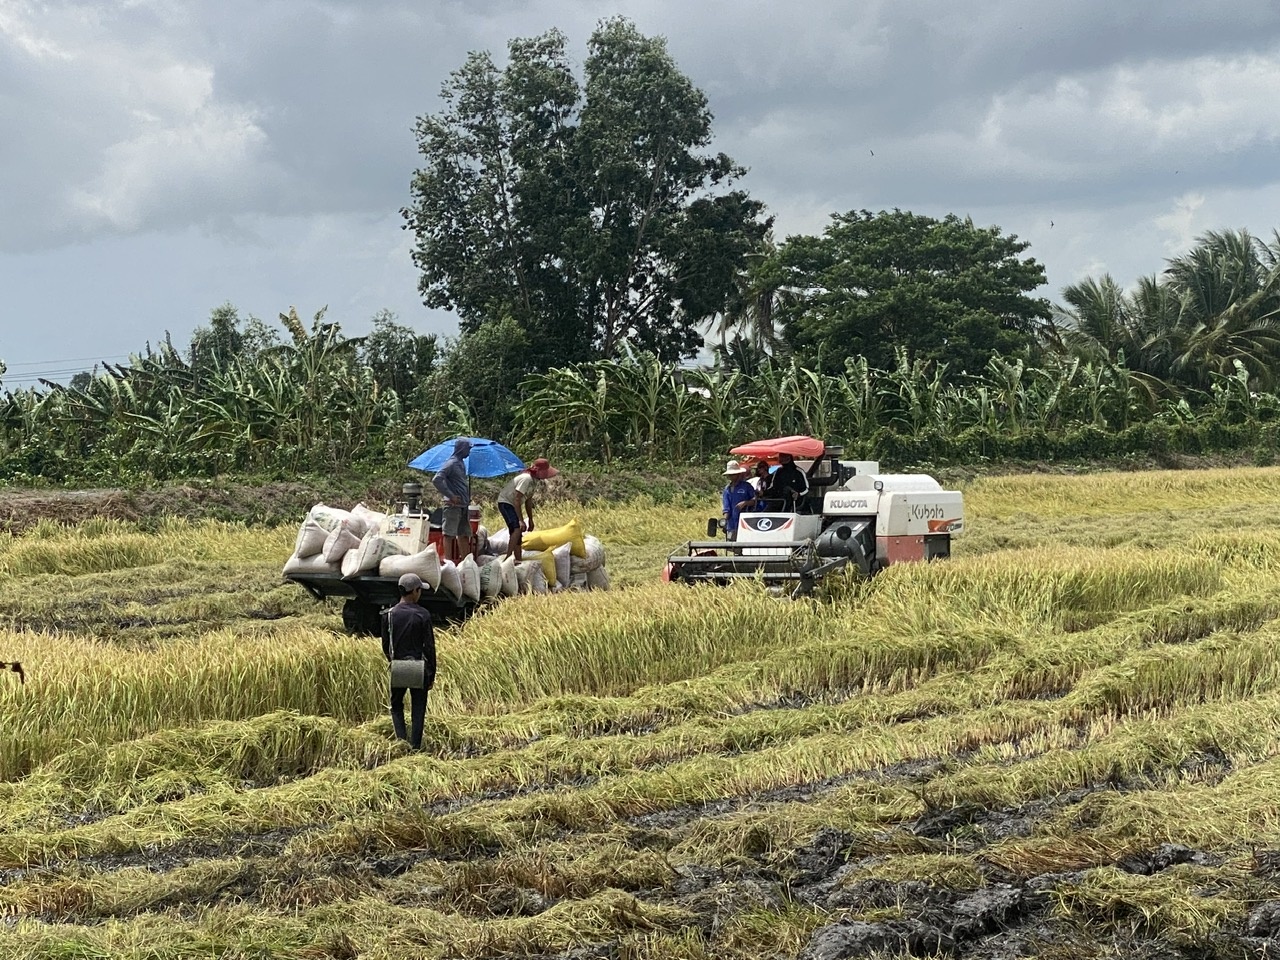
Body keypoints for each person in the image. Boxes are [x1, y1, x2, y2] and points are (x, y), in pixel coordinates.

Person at [381, 573, 437, 750]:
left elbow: (385, 644)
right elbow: (429, 647)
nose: (420, 593)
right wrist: (431, 674)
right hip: (418, 666)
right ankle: (415, 746)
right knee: (418, 708)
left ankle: (401, 742)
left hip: (398, 665)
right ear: (414, 591)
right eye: (419, 590)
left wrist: (393, 661)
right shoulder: (423, 615)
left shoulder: (388, 615)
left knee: (396, 705)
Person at [497, 457, 558, 562]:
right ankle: (507, 557)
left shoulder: (534, 481)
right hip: (506, 502)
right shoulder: (526, 479)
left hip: (513, 504)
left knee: (518, 533)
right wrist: (521, 520)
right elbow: (517, 499)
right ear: (539, 471)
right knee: (516, 529)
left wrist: (530, 519)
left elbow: (528, 501)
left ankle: (518, 559)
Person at [431, 438, 472, 560]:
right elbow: (436, 479)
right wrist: (450, 495)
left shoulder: (460, 463)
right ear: (462, 449)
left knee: (464, 534)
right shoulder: (451, 463)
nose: (469, 451)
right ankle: (448, 562)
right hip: (453, 506)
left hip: (463, 506)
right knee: (449, 535)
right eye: (468, 448)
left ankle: (467, 562)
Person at [721, 459, 758, 541]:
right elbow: (726, 508)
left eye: (733, 474)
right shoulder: (727, 490)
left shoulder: (747, 486)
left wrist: (745, 503)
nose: (731, 477)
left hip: (746, 522)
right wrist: (724, 521)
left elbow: (755, 500)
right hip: (731, 524)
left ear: (738, 474)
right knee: (733, 546)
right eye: (730, 475)